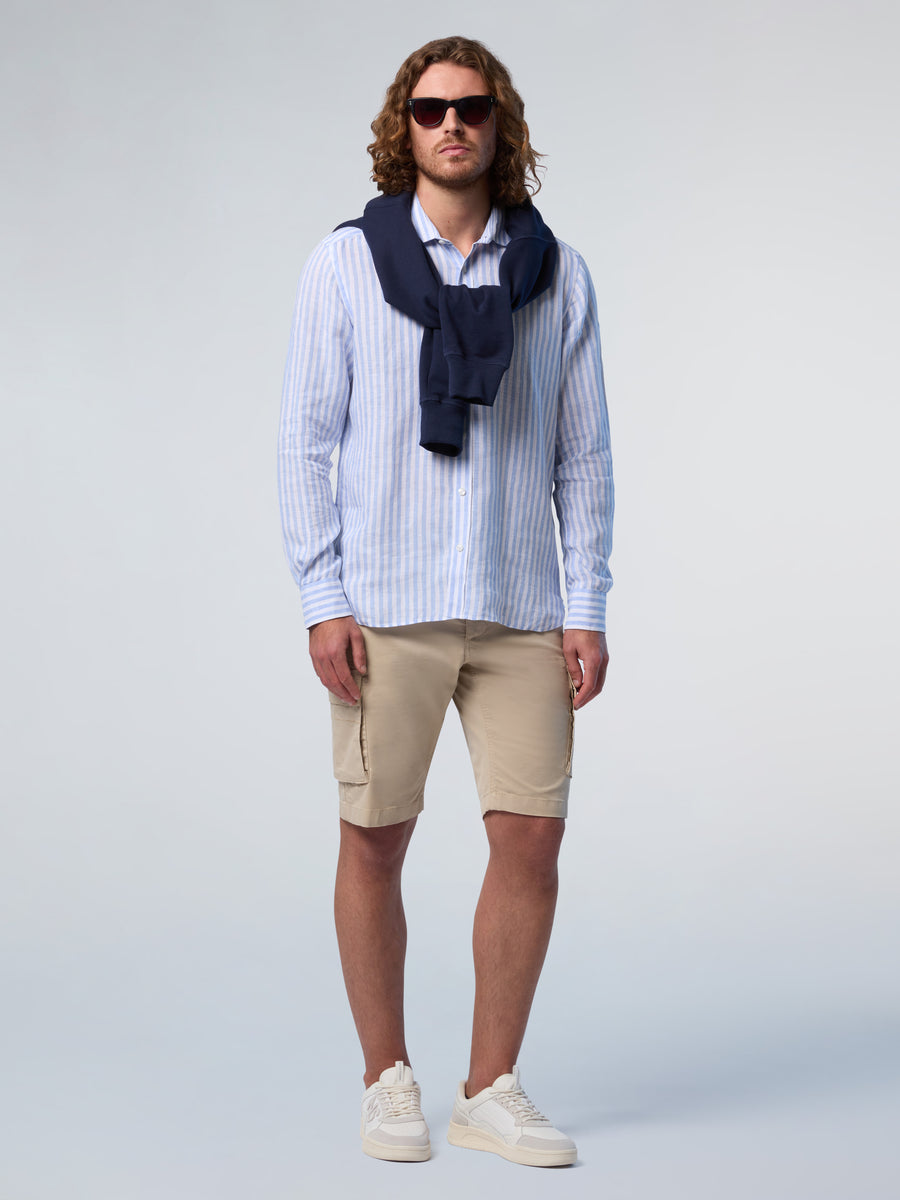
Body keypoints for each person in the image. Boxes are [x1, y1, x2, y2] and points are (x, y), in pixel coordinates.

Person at [278, 35, 613, 1168]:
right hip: (386, 604)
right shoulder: (345, 266)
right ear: (405, 127)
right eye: (430, 110)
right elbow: (304, 443)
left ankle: (489, 1088)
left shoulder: (557, 274)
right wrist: (323, 597)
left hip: (521, 603)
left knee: (533, 839)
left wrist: (586, 603)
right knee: (375, 839)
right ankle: (388, 1080)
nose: (452, 125)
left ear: (499, 123)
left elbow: (583, 454)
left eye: (471, 107)